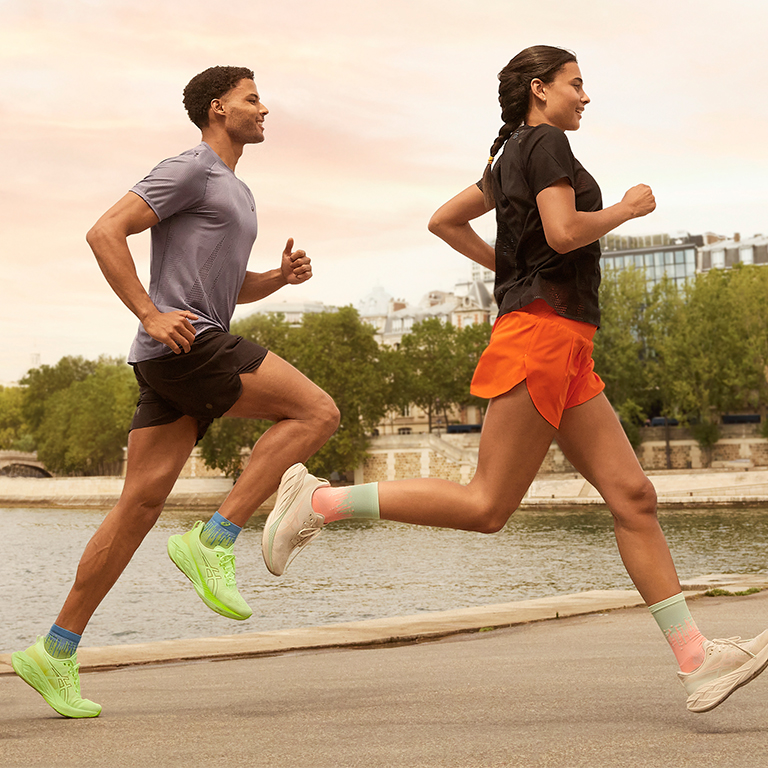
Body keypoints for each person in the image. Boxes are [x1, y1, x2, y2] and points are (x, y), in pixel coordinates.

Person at [261, 46, 768, 714]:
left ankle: (696, 661)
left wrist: (508, 270)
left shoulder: (510, 156)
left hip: (567, 345)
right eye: (575, 84)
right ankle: (320, 502)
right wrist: (625, 209)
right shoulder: (547, 143)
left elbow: (444, 220)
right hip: (543, 336)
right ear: (539, 89)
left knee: (633, 496)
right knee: (488, 505)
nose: (585, 96)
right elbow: (562, 232)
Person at [11, 66, 339, 718]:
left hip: (176, 354)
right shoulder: (191, 168)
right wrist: (149, 312)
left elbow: (227, 284)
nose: (263, 108)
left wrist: (277, 278)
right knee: (316, 411)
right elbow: (105, 230)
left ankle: (55, 648)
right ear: (218, 108)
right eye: (252, 98)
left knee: (138, 506)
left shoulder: (238, 192)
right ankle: (215, 538)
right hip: (186, 344)